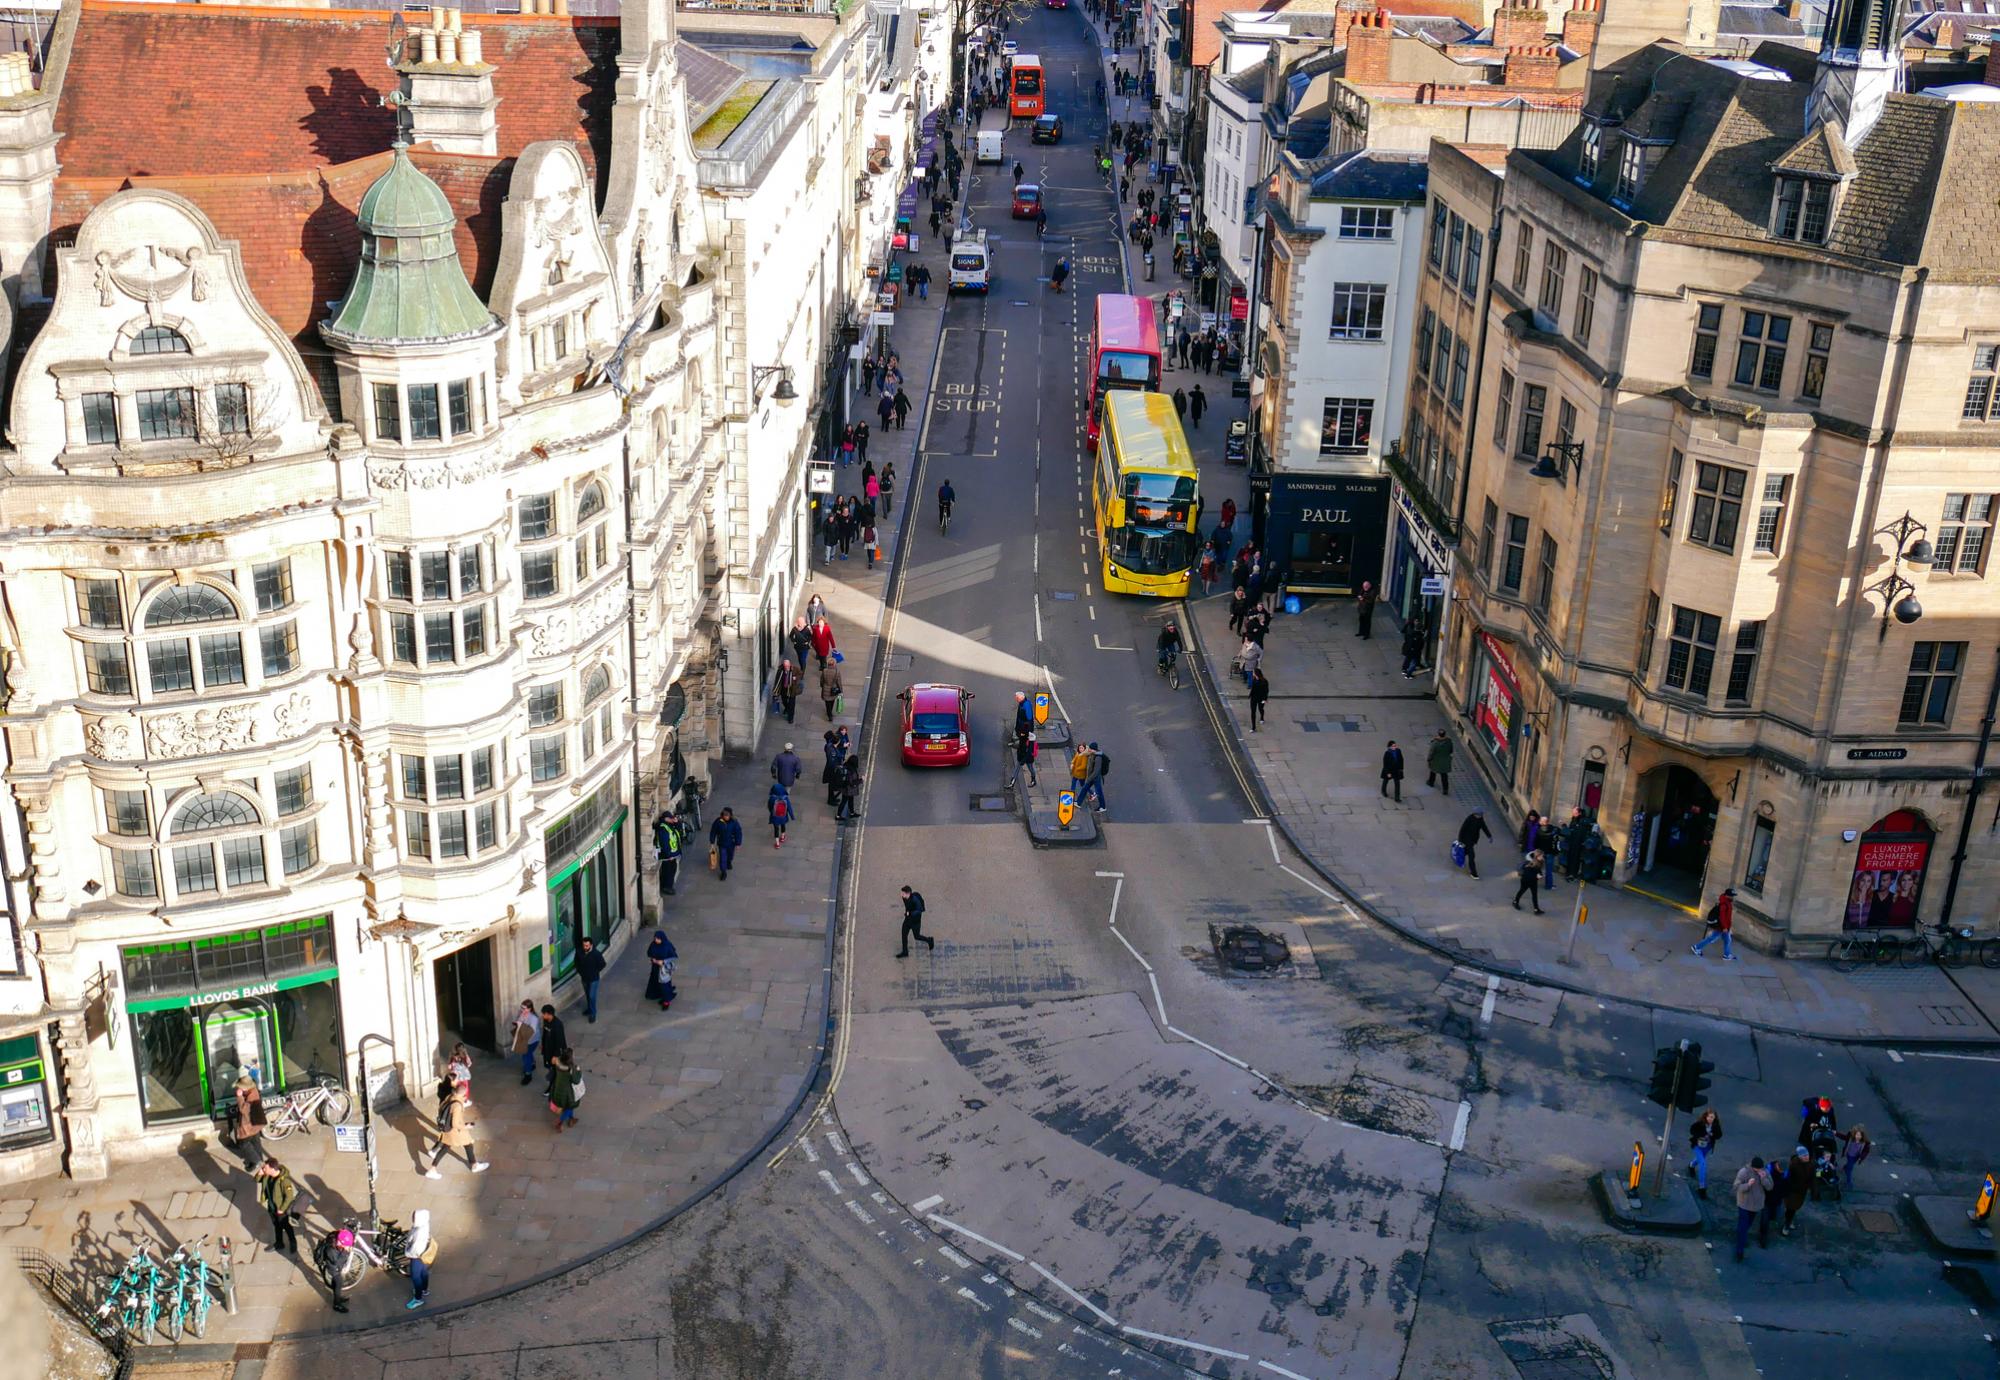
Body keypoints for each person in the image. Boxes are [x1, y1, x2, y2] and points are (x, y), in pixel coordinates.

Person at [426, 1079, 487, 1176]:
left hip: (447, 1129)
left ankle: (432, 1169)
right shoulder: (457, 1106)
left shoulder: (449, 1097)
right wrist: (466, 1126)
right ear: (463, 1094)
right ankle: (474, 1166)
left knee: (445, 1148)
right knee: (468, 1144)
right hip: (455, 1131)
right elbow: (455, 1124)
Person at [254, 1158, 300, 1255]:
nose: (263, 1169)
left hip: (280, 1209)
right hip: (271, 1207)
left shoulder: (284, 1181)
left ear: (272, 1169)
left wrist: (281, 1209)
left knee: (286, 1226)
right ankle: (279, 1243)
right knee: (276, 1226)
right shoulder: (267, 1176)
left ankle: (293, 1242)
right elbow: (256, 1180)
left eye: (265, 1168)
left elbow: (289, 1197)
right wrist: (260, 1173)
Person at [1733, 1157, 1772, 1261]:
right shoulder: (1744, 1172)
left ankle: (1741, 1237)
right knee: (1743, 1226)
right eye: (1757, 1170)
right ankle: (1739, 1251)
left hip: (1756, 1206)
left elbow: (1770, 1187)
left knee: (1747, 1225)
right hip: (1744, 1204)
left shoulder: (1765, 1172)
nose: (1759, 1171)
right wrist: (1748, 1185)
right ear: (1752, 1167)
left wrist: (1764, 1179)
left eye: (1760, 1169)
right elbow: (1736, 1187)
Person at [229, 1074, 269, 1167]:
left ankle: (257, 1162)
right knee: (255, 1142)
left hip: (250, 1124)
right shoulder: (253, 1090)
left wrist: (239, 1096)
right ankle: (257, 1160)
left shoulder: (252, 1096)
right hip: (256, 1122)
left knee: (243, 1144)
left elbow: (244, 1109)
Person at [1692, 887, 1738, 960]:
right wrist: (1725, 927)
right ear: (1727, 895)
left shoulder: (1727, 902)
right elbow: (1722, 918)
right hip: (1722, 927)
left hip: (1724, 927)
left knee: (1727, 940)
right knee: (1711, 938)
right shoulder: (1724, 904)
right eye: (1731, 896)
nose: (1733, 897)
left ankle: (1727, 955)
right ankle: (1696, 947)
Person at [1687, 1110, 1723, 1199]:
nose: (1711, 1119)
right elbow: (1692, 1130)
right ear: (1706, 1116)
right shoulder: (1700, 1123)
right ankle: (1702, 1187)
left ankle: (1691, 1165)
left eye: (1713, 1117)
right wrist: (1701, 1134)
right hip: (1697, 1146)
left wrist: (1712, 1134)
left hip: (1707, 1146)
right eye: (1709, 1117)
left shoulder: (1715, 1126)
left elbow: (1719, 1135)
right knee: (1703, 1164)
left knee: (1700, 1159)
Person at [404, 1209, 435, 1311]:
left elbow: (414, 1249)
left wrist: (407, 1253)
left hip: (416, 1256)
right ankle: (424, 1290)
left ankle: (418, 1299)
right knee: (423, 1272)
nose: (413, 1219)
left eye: (414, 1217)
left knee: (416, 1277)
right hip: (423, 1255)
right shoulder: (424, 1225)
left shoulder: (418, 1232)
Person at [1780, 1146, 1814, 1234]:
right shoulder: (1794, 1166)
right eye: (1804, 1156)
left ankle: (1789, 1221)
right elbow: (1788, 1179)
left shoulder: (1810, 1164)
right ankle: (1786, 1225)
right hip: (1792, 1192)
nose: (1807, 1157)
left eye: (1807, 1155)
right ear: (1799, 1157)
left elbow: (1811, 1177)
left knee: (1794, 1208)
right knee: (1790, 1209)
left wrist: (1811, 1186)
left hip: (1801, 1192)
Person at [547, 1050, 581, 1134]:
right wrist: (578, 1071)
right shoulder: (571, 1070)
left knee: (569, 1106)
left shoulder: (558, 1063)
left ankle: (571, 1119)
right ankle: (560, 1122)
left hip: (558, 1090)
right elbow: (576, 1080)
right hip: (567, 1094)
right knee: (569, 1107)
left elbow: (554, 1060)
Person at [897, 886, 937, 956]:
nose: (901, 895)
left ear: (908, 893)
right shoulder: (904, 898)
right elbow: (908, 906)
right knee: (904, 934)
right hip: (908, 919)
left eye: (903, 893)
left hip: (915, 921)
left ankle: (929, 940)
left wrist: (910, 913)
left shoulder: (915, 900)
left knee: (917, 936)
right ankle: (905, 952)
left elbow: (919, 910)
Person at [575, 936, 606, 1023]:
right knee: (588, 995)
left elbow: (603, 964)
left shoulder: (596, 954)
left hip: (593, 979)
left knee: (592, 996)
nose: (585, 947)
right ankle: (589, 1009)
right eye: (584, 945)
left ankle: (593, 1013)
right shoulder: (579, 952)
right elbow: (576, 962)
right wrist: (580, 972)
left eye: (587, 946)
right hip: (584, 978)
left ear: (591, 945)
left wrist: (594, 971)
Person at [653, 809, 683, 897]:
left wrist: (677, 822)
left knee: (672, 869)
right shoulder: (663, 828)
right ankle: (667, 887)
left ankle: (668, 886)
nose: (672, 819)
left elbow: (679, 829)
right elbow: (664, 843)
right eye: (670, 818)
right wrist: (669, 855)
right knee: (668, 871)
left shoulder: (670, 825)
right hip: (667, 855)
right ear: (666, 819)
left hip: (672, 854)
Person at [645, 930, 677, 1010]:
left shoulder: (667, 946)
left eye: (658, 939)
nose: (656, 940)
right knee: (655, 981)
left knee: (664, 984)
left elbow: (673, 956)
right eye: (655, 938)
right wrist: (653, 959)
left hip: (663, 969)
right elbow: (649, 953)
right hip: (655, 967)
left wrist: (663, 961)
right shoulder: (653, 944)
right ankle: (658, 994)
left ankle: (666, 1001)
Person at [510, 1000, 540, 1085]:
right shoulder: (522, 1013)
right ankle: (533, 1063)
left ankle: (528, 1075)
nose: (521, 1009)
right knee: (528, 1054)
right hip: (524, 1039)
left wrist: (520, 1025)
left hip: (532, 1041)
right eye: (521, 1007)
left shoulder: (534, 1018)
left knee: (525, 1056)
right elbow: (519, 1021)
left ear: (529, 1009)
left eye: (524, 1008)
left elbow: (532, 1031)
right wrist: (517, 1023)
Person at [709, 807, 742, 881]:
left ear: (730, 815)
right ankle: (723, 872)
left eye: (727, 815)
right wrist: (712, 842)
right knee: (723, 858)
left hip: (731, 843)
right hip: (722, 843)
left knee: (730, 855)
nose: (725, 816)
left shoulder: (734, 822)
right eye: (724, 815)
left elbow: (738, 832)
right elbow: (713, 831)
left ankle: (729, 862)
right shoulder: (718, 821)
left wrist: (738, 843)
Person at [1458, 809, 1493, 878]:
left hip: (1473, 840)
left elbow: (1484, 827)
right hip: (1466, 840)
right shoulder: (1469, 819)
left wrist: (1489, 836)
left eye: (1481, 815)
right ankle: (1473, 873)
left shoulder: (1480, 819)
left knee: (1465, 851)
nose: (1481, 816)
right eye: (1479, 815)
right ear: (1475, 814)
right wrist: (1460, 840)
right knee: (1472, 856)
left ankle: (1459, 856)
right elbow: (1462, 829)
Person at [539, 1005, 567, 1076]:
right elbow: (545, 1034)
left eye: (543, 1014)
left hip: (554, 1051)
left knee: (555, 1069)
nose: (542, 1015)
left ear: (549, 1014)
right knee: (549, 1065)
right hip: (547, 1048)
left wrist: (555, 1055)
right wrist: (543, 1045)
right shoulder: (546, 1020)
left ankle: (554, 1083)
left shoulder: (557, 1025)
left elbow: (559, 1041)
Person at [1082, 741, 1108, 813]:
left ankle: (1103, 807)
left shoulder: (1098, 758)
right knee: (1085, 787)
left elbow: (1096, 771)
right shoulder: (1093, 753)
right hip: (1093, 777)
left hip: (1096, 778)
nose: (1089, 749)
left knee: (1099, 792)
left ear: (1094, 749)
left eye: (1090, 748)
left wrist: (1089, 779)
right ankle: (1078, 802)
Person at [774, 658, 802, 725]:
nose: (787, 667)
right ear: (783, 665)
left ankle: (790, 718)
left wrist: (796, 678)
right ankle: (787, 708)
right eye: (785, 666)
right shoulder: (780, 670)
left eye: (787, 666)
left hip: (792, 690)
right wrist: (775, 689)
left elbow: (800, 673)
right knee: (784, 701)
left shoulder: (795, 669)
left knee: (792, 705)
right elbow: (777, 680)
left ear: (790, 664)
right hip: (784, 689)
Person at [1426, 730, 1454, 795]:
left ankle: (1431, 782)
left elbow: (1431, 753)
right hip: (1445, 761)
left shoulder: (1435, 743)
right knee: (1444, 775)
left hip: (1436, 760)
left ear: (1438, 734)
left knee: (1433, 771)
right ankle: (1445, 789)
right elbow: (1451, 750)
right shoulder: (1449, 742)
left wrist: (1429, 759)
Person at [837, 756, 863, 822]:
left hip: (846, 788)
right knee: (844, 802)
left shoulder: (846, 765)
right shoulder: (852, 771)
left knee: (851, 800)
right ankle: (838, 816)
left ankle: (852, 813)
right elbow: (852, 783)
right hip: (848, 789)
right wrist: (861, 780)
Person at [769, 777, 793, 846]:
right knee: (783, 825)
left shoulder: (772, 798)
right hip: (783, 816)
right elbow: (789, 807)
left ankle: (777, 843)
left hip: (775, 816)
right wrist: (792, 816)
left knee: (776, 829)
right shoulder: (785, 798)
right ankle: (782, 837)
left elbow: (770, 806)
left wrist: (772, 811)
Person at [819, 656, 843, 722]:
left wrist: (822, 686)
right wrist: (841, 691)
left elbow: (821, 680)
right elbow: (839, 682)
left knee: (827, 703)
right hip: (833, 689)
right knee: (832, 701)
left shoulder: (824, 671)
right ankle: (830, 713)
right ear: (834, 664)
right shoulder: (837, 672)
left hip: (826, 688)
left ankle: (829, 714)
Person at [1248, 666, 1270, 732]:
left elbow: (1266, 691)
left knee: (1261, 709)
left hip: (1261, 698)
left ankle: (1262, 718)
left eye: (1253, 672)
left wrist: (1265, 699)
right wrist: (1250, 695)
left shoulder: (1264, 681)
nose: (1252, 673)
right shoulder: (1254, 679)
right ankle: (1253, 727)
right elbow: (1253, 689)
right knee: (1253, 712)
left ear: (1256, 673)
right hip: (1254, 698)